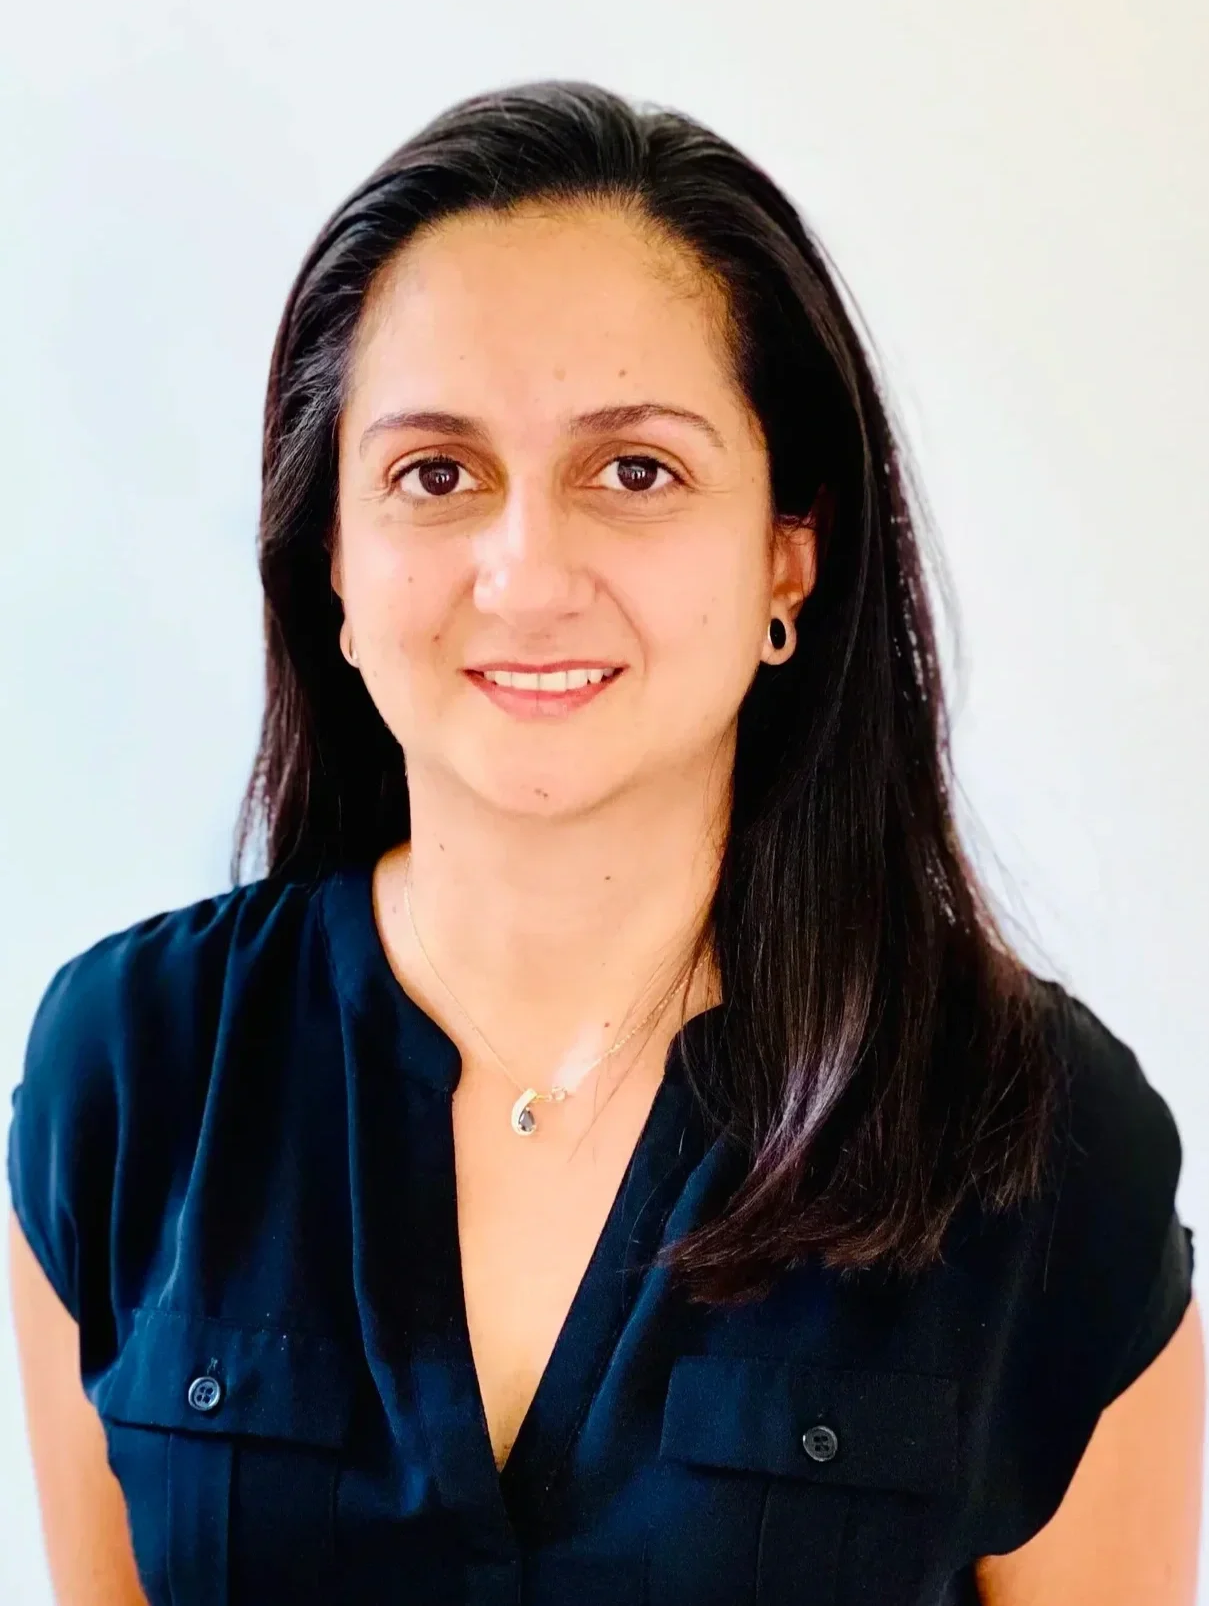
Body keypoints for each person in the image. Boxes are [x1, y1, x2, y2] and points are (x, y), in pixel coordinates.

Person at [6, 78, 1202, 1606]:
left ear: (790, 549)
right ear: (335, 562)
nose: (525, 573)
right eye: (436, 475)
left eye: (634, 470)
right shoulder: (134, 1072)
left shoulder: (1043, 1143)